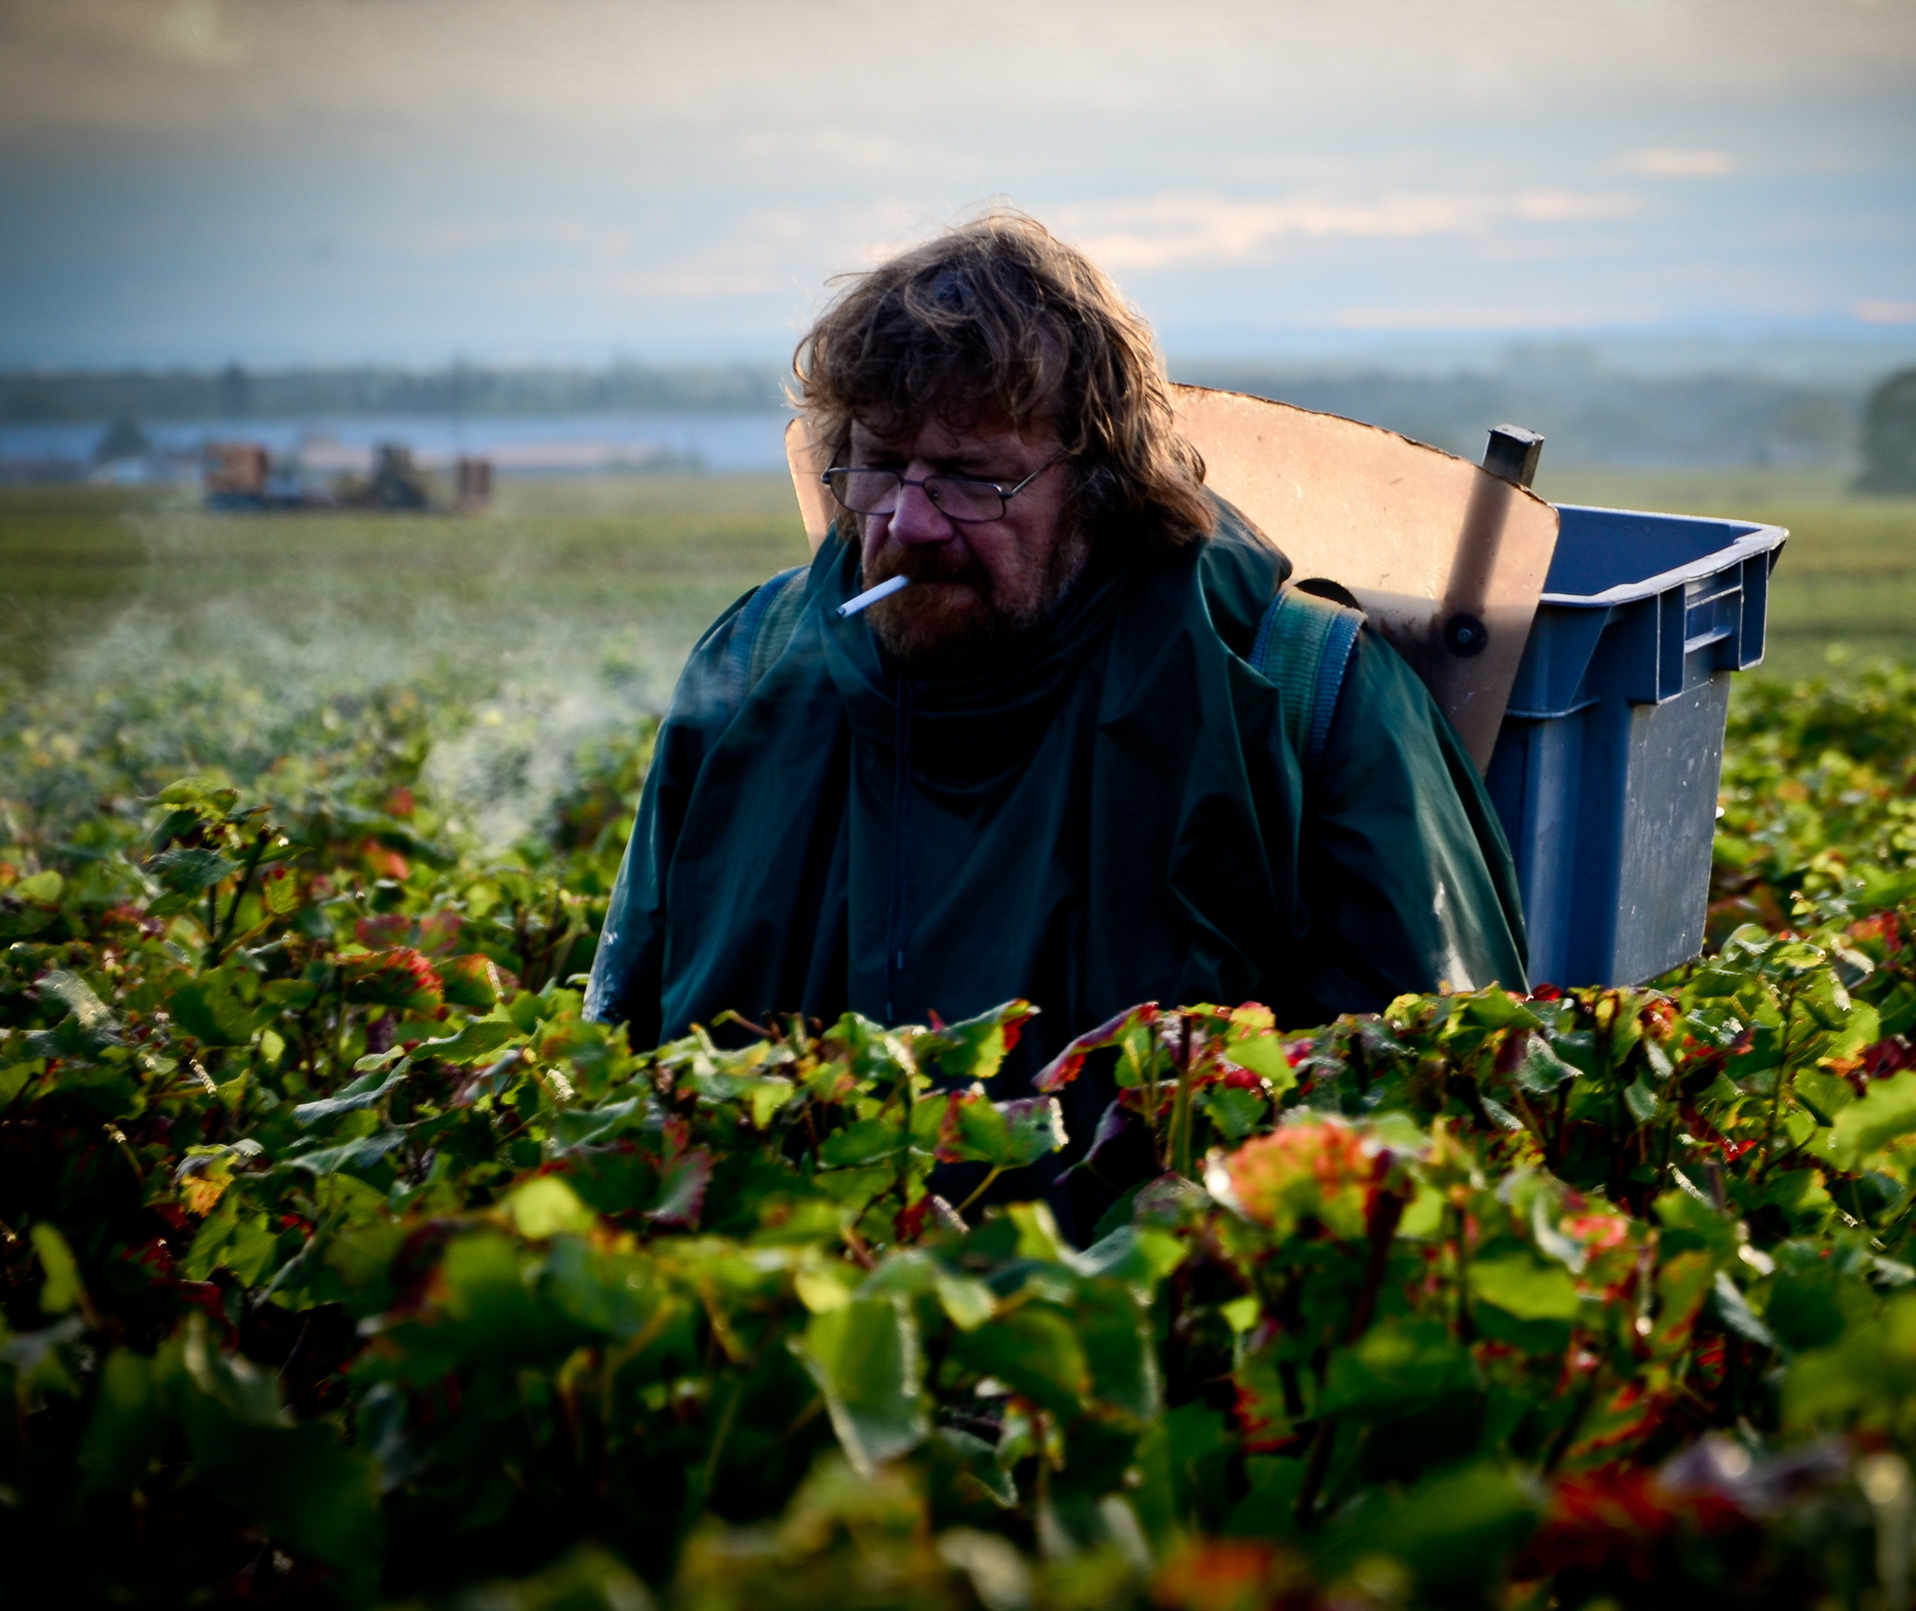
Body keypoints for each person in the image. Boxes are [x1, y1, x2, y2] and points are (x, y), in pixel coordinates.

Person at [586, 209, 1524, 1222]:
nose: (907, 522)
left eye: (972, 479)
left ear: (1102, 487)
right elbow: (627, 1044)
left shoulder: (1297, 691)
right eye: (878, 463)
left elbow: (1428, 1113)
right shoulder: (753, 669)